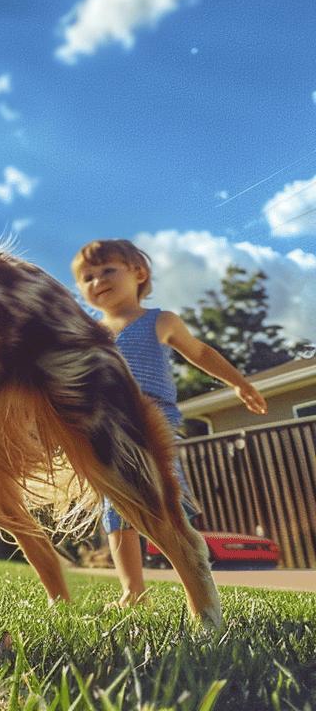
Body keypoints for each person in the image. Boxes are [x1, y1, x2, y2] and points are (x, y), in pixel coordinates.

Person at [72, 239, 268, 607]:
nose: (97, 281)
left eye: (107, 270)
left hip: (152, 425)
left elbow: (200, 352)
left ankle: (197, 585)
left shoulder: (159, 320)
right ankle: (133, 590)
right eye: (87, 277)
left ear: (138, 273)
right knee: (117, 508)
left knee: (164, 499)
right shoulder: (88, 333)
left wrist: (239, 383)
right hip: (106, 427)